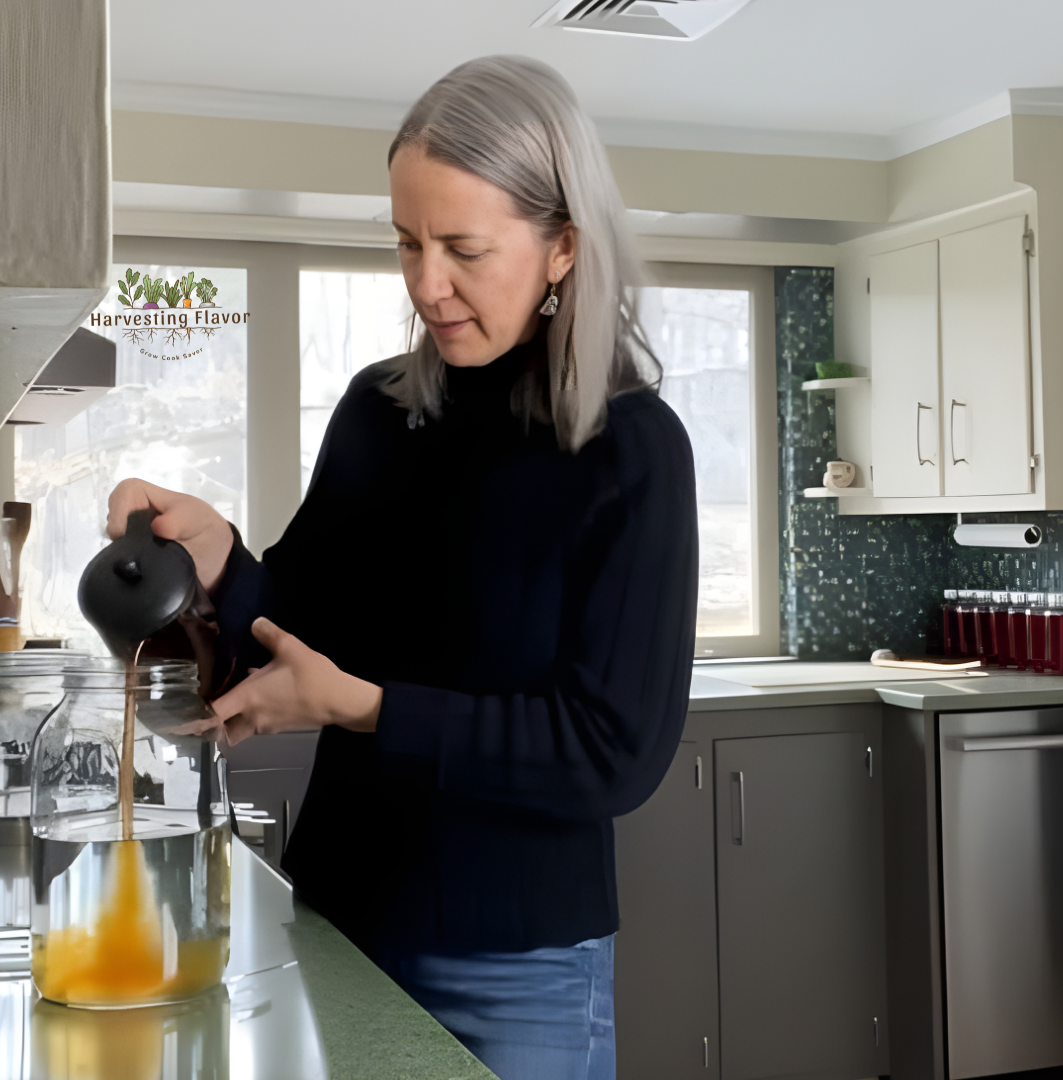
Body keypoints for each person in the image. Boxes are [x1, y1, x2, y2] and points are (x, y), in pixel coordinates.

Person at [107, 55, 697, 1080]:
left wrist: (367, 709)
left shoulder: (631, 450)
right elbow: (297, 619)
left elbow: (612, 752)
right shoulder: (379, 409)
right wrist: (220, 562)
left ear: (563, 246)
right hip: (340, 918)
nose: (427, 284)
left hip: (516, 965)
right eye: (407, 243)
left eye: (464, 248)